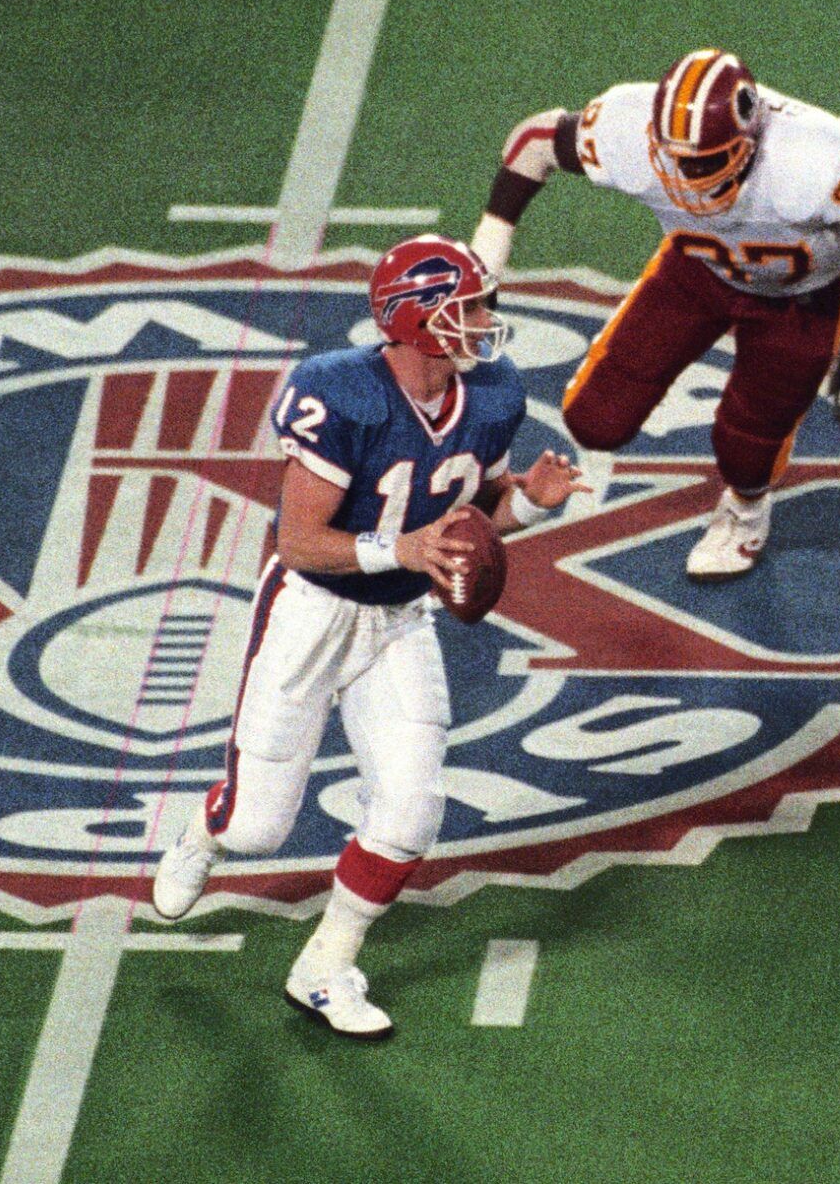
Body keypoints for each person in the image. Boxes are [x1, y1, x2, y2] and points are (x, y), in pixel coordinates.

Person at [149, 234, 588, 1041]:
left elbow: (468, 509)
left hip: (399, 619)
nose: (487, 320)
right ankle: (203, 828)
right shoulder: (338, 391)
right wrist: (407, 549)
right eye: (470, 306)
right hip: (312, 610)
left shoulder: (492, 394)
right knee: (257, 828)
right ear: (419, 320)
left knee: (413, 808)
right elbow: (300, 541)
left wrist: (528, 504)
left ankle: (324, 964)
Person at [467, 47, 840, 578]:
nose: (682, 174)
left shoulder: (814, 161)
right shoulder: (626, 130)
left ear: (748, 143)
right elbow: (534, 141)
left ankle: (746, 512)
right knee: (594, 421)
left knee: (750, 450)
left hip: (801, 295)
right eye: (672, 154)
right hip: (695, 269)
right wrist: (484, 265)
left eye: (702, 161)